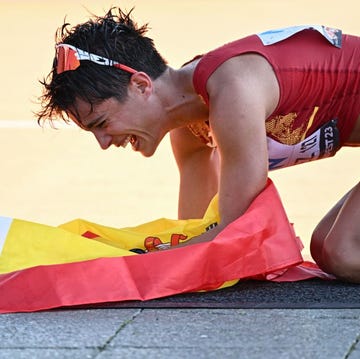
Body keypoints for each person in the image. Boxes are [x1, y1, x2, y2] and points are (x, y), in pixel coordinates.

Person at [37, 7, 360, 282]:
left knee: (342, 251)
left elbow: (237, 234)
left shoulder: (232, 91)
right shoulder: (191, 126)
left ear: (140, 85)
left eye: (102, 124)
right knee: (326, 246)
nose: (104, 143)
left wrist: (130, 265)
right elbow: (199, 234)